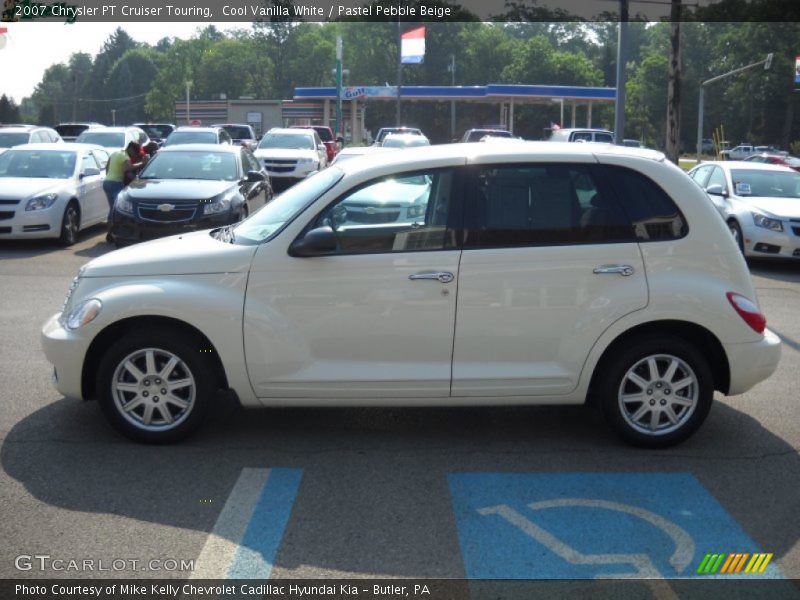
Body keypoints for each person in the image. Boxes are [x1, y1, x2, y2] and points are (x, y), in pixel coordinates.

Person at [103, 141, 147, 243]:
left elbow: (107, 167)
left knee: (112, 208)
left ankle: (110, 233)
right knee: (116, 210)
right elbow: (128, 168)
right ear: (130, 149)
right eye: (135, 152)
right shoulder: (125, 157)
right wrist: (142, 163)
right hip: (116, 183)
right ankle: (111, 234)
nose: (135, 155)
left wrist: (109, 176)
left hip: (107, 182)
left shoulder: (115, 153)